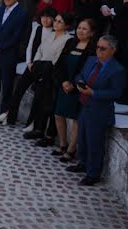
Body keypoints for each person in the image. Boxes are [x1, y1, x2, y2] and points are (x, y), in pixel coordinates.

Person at [71, 35, 126, 186]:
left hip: (99, 111)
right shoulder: (91, 61)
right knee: (82, 137)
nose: (99, 51)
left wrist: (93, 93)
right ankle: (83, 163)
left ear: (113, 50)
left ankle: (93, 174)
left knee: (95, 142)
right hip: (84, 105)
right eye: (97, 47)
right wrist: (79, 83)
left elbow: (116, 92)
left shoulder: (117, 70)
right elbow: (80, 75)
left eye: (103, 48)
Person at [3, 12, 71, 126]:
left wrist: (45, 67)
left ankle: (32, 124)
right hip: (36, 65)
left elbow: (58, 57)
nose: (56, 23)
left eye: (60, 21)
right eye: (56, 20)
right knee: (19, 89)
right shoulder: (50, 34)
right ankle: (9, 116)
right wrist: (33, 63)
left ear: (67, 26)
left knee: (39, 97)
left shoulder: (67, 39)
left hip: (49, 70)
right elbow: (39, 49)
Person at [39, 19, 96, 155]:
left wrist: (74, 85)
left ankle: (71, 149)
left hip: (78, 88)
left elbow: (89, 71)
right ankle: (63, 145)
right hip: (64, 85)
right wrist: (63, 81)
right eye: (79, 28)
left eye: (84, 29)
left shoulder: (92, 50)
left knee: (76, 119)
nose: (80, 31)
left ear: (92, 33)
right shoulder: (70, 43)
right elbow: (60, 64)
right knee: (59, 114)